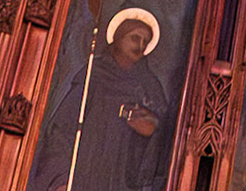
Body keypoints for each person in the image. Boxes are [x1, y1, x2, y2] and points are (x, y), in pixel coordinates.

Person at [29, 11, 176, 191]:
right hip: (87, 171)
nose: (140, 46)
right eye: (135, 38)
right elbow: (63, 129)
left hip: (123, 179)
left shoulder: (150, 85)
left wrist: (152, 131)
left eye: (145, 41)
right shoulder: (94, 73)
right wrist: (60, 179)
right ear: (118, 37)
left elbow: (167, 142)